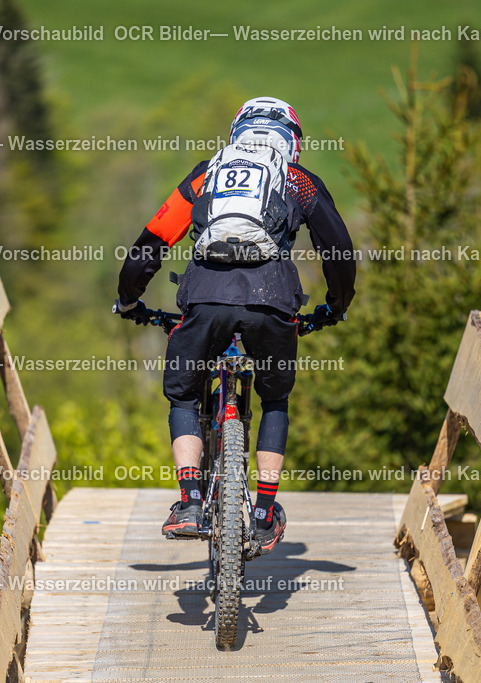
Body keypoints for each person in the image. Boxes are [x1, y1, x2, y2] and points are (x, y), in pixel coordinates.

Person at [115, 96, 355, 554]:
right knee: (274, 399)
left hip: (205, 297)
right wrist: (336, 305)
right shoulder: (298, 180)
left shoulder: (209, 174)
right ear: (292, 141)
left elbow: (154, 238)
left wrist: (130, 298)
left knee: (184, 394)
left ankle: (188, 502)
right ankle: (264, 512)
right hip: (273, 302)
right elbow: (338, 248)